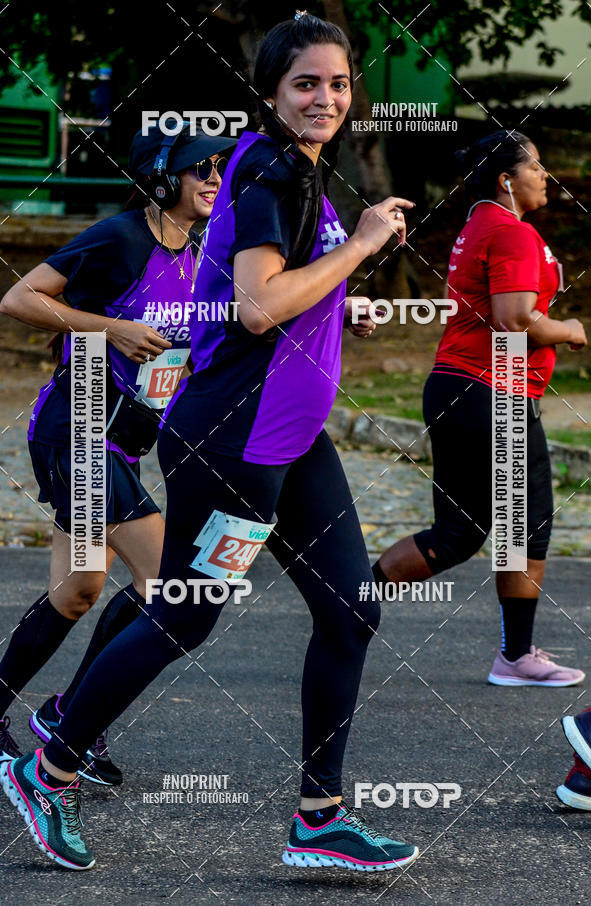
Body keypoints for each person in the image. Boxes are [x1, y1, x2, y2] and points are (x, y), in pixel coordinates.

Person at [1, 13, 420, 873]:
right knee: (187, 615)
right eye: (306, 83)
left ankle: (319, 819)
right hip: (236, 441)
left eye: (339, 84)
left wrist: (347, 300)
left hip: (292, 438)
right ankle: (51, 765)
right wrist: (370, 242)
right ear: (271, 92)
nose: (326, 98)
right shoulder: (270, 168)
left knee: (351, 609)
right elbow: (264, 303)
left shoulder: (296, 166)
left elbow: (268, 297)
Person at [0, 121, 235, 786]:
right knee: (166, 582)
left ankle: (46, 714)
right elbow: (19, 297)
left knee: (77, 591)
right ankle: (72, 720)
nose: (214, 181)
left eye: (219, 169)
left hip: (121, 447)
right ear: (163, 179)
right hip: (75, 431)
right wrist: (113, 329)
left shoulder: (203, 254)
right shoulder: (121, 237)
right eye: (200, 170)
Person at [371, 129, 587, 687]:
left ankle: (348, 604)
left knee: (458, 534)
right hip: (495, 391)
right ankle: (516, 657)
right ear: (506, 179)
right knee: (526, 524)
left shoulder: (481, 225)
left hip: (462, 388)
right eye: (536, 166)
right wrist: (569, 330)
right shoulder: (509, 232)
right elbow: (514, 320)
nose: (546, 175)